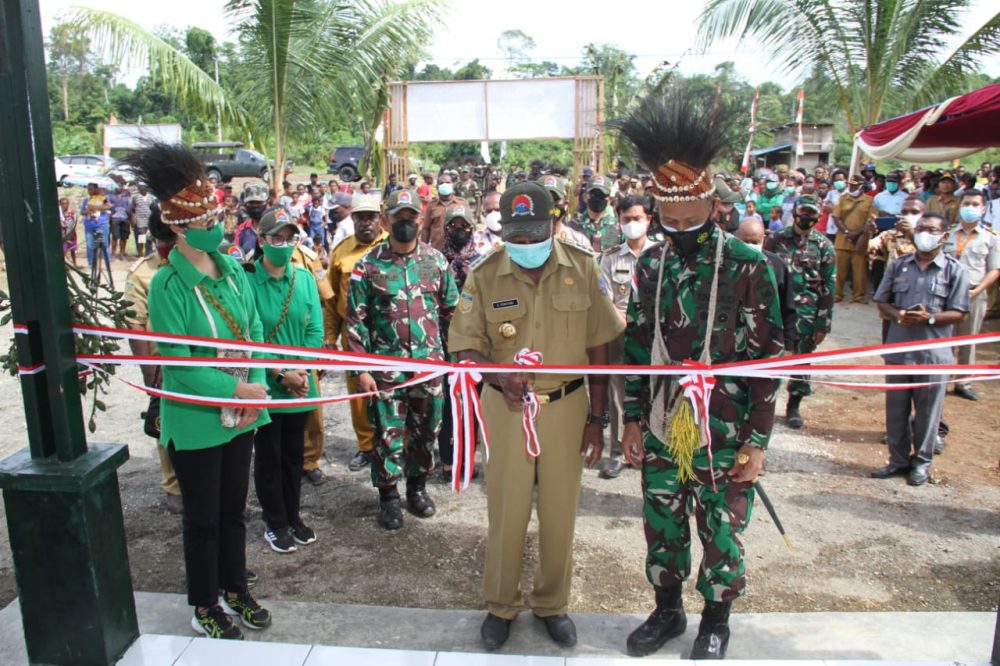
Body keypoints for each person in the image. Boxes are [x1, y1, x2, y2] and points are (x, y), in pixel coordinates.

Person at [614, 90, 784, 660]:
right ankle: (666, 612)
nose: (679, 228)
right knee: (662, 523)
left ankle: (716, 620)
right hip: (664, 422)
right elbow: (637, 347)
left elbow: (769, 359)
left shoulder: (747, 263)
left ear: (714, 207)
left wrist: (757, 441)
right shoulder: (654, 261)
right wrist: (632, 421)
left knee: (721, 530)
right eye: (669, 220)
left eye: (691, 219)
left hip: (726, 427)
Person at [448, 181, 622, 651]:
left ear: (553, 225)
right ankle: (501, 604)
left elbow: (601, 346)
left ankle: (551, 603)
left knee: (560, 510)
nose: (524, 246)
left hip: (567, 408)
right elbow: (464, 344)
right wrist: (496, 376)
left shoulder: (583, 269)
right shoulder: (484, 275)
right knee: (506, 508)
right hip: (505, 408)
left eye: (533, 235)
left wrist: (598, 420)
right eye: (515, 237)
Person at [130, 142, 272, 640]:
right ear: (180, 227)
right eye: (208, 219)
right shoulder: (169, 286)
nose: (219, 224)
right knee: (202, 517)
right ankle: (204, 602)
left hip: (241, 412)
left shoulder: (232, 268)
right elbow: (180, 367)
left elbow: (252, 328)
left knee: (235, 510)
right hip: (196, 418)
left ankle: (237, 590)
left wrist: (254, 382)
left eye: (219, 215)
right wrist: (239, 388)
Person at [346, 188, 459, 529]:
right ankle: (388, 497)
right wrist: (362, 369)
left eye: (411, 218)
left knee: (426, 432)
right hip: (385, 371)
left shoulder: (436, 262)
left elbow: (453, 315)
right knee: (386, 435)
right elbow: (356, 322)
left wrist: (455, 364)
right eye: (399, 218)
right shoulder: (367, 266)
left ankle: (417, 489)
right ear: (386, 220)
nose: (405, 223)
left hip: (429, 368)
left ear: (420, 220)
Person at [247, 208, 323, 553]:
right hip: (264, 385)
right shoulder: (246, 281)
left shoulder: (304, 279)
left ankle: (293, 515)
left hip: (299, 385)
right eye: (276, 237)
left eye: (289, 237)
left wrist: (300, 373)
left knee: (294, 455)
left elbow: (314, 330)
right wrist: (280, 374)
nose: (283, 244)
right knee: (268, 456)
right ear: (262, 241)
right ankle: (274, 521)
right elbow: (248, 339)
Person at [872, 212, 969, 486]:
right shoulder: (900, 266)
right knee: (896, 409)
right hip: (900, 350)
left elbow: (960, 312)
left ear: (944, 236)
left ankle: (922, 463)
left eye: (931, 229)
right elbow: (882, 301)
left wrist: (930, 318)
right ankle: (897, 460)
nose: (925, 233)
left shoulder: (954, 270)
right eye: (921, 229)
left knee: (928, 413)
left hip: (933, 355)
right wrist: (898, 314)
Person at [123, 203, 182, 515]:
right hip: (164, 366)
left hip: (200, 358)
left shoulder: (197, 261)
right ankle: (174, 485)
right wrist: (149, 371)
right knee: (167, 424)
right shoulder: (143, 273)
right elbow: (135, 325)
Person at [325, 193, 387, 472]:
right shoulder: (341, 251)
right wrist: (329, 339)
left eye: (370, 217)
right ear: (353, 219)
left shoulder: (392, 245)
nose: (365, 223)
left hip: (389, 334)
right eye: (360, 217)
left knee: (394, 392)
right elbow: (331, 298)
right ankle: (367, 447)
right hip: (353, 336)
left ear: (380, 218)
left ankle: (398, 444)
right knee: (359, 395)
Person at [763, 195, 836, 429]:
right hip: (777, 309)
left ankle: (793, 405)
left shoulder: (824, 246)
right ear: (794, 213)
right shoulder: (776, 239)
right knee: (769, 357)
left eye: (812, 214)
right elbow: (763, 271)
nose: (807, 218)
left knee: (801, 361)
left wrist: (823, 324)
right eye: (803, 213)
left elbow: (828, 285)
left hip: (806, 313)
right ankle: (764, 405)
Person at [598, 195, 652, 480]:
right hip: (621, 335)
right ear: (618, 222)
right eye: (626, 219)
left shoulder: (661, 253)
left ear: (649, 220)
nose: (632, 224)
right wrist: (624, 323)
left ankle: (652, 451)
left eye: (637, 218)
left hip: (655, 338)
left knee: (655, 394)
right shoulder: (609, 257)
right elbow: (604, 298)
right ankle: (618, 453)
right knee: (619, 395)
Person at [942, 190, 1000, 401]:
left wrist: (978, 290)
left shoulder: (991, 238)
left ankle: (963, 381)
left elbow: (994, 269)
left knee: (968, 339)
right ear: (960, 206)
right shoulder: (947, 234)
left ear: (983, 209)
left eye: (975, 204)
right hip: (946, 294)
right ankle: (941, 378)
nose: (970, 208)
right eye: (967, 203)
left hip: (974, 293)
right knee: (943, 339)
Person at [437, 202, 480, 480]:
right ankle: (447, 458)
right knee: (445, 402)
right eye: (454, 225)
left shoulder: (482, 260)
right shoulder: (436, 259)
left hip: (475, 341)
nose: (460, 229)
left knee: (472, 400)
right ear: (446, 228)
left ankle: (469, 456)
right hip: (442, 342)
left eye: (465, 225)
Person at [736, 216, 797, 354]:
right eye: (745, 241)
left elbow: (788, 309)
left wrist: (789, 345)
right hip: (731, 345)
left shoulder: (777, 266)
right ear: (735, 238)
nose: (750, 246)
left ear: (763, 239)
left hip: (767, 343)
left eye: (755, 241)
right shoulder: (724, 265)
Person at [868, 196, 920, 341]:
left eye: (914, 212)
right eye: (904, 212)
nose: (908, 215)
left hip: (921, 294)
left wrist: (911, 233)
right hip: (894, 294)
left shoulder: (931, 236)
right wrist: (868, 231)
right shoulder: (890, 235)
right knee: (890, 340)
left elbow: (928, 252)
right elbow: (864, 250)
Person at [831, 174, 873, 303]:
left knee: (859, 271)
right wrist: (847, 232)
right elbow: (836, 217)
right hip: (843, 239)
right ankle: (837, 294)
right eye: (850, 185)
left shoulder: (869, 201)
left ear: (861, 186)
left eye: (854, 185)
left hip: (860, 240)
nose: (851, 187)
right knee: (839, 271)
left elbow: (870, 221)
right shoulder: (843, 199)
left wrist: (857, 233)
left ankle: (859, 296)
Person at [570, 176, 619, 252]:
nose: (597, 198)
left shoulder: (618, 228)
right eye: (594, 194)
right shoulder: (572, 227)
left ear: (609, 200)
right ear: (585, 197)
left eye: (602, 195)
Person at [542, 175, 592, 252]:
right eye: (544, 199)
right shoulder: (523, 243)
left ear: (566, 205)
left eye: (554, 198)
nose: (549, 203)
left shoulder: (580, 242)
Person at [422, 173, 457, 251]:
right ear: (437, 186)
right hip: (437, 249)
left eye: (448, 183)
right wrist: (423, 248)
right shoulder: (431, 205)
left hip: (457, 250)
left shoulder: (462, 203)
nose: (445, 185)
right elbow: (426, 229)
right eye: (441, 183)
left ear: (452, 184)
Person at [81, 182, 111, 268]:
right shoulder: (86, 201)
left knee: (104, 243)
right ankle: (91, 263)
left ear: (96, 189)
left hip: (101, 224)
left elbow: (107, 206)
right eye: (88, 189)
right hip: (89, 224)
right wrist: (86, 211)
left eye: (91, 189)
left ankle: (107, 263)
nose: (89, 191)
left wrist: (95, 207)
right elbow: (82, 212)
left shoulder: (103, 198)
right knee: (90, 244)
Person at [236, 183, 269, 260]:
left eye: (258, 203)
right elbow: (237, 254)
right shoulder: (242, 229)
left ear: (267, 202)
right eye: (251, 203)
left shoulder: (276, 226)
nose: (255, 206)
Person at [472, 190, 504, 257]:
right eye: (489, 211)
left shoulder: (518, 238)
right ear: (484, 214)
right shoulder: (476, 238)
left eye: (497, 210)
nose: (493, 214)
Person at [108, 179, 132, 260]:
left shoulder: (127, 196)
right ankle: (113, 254)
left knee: (124, 237)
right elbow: (108, 206)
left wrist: (130, 218)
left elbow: (130, 207)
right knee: (115, 236)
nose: (118, 188)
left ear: (123, 187)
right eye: (117, 186)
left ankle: (122, 253)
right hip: (115, 218)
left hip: (125, 218)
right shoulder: (111, 196)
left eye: (120, 186)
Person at [130, 184, 157, 257]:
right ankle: (140, 253)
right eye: (141, 188)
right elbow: (132, 209)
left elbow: (154, 208)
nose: (143, 189)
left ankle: (148, 253)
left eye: (145, 188)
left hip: (149, 220)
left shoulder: (151, 197)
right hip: (140, 219)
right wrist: (133, 219)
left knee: (149, 237)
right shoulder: (135, 197)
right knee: (141, 237)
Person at [59, 197, 78, 266]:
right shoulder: (59, 214)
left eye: (66, 203)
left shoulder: (72, 212)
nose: (64, 205)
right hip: (63, 234)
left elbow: (75, 221)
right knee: (63, 250)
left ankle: (75, 264)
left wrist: (71, 231)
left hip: (71, 234)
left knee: (72, 249)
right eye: (62, 204)